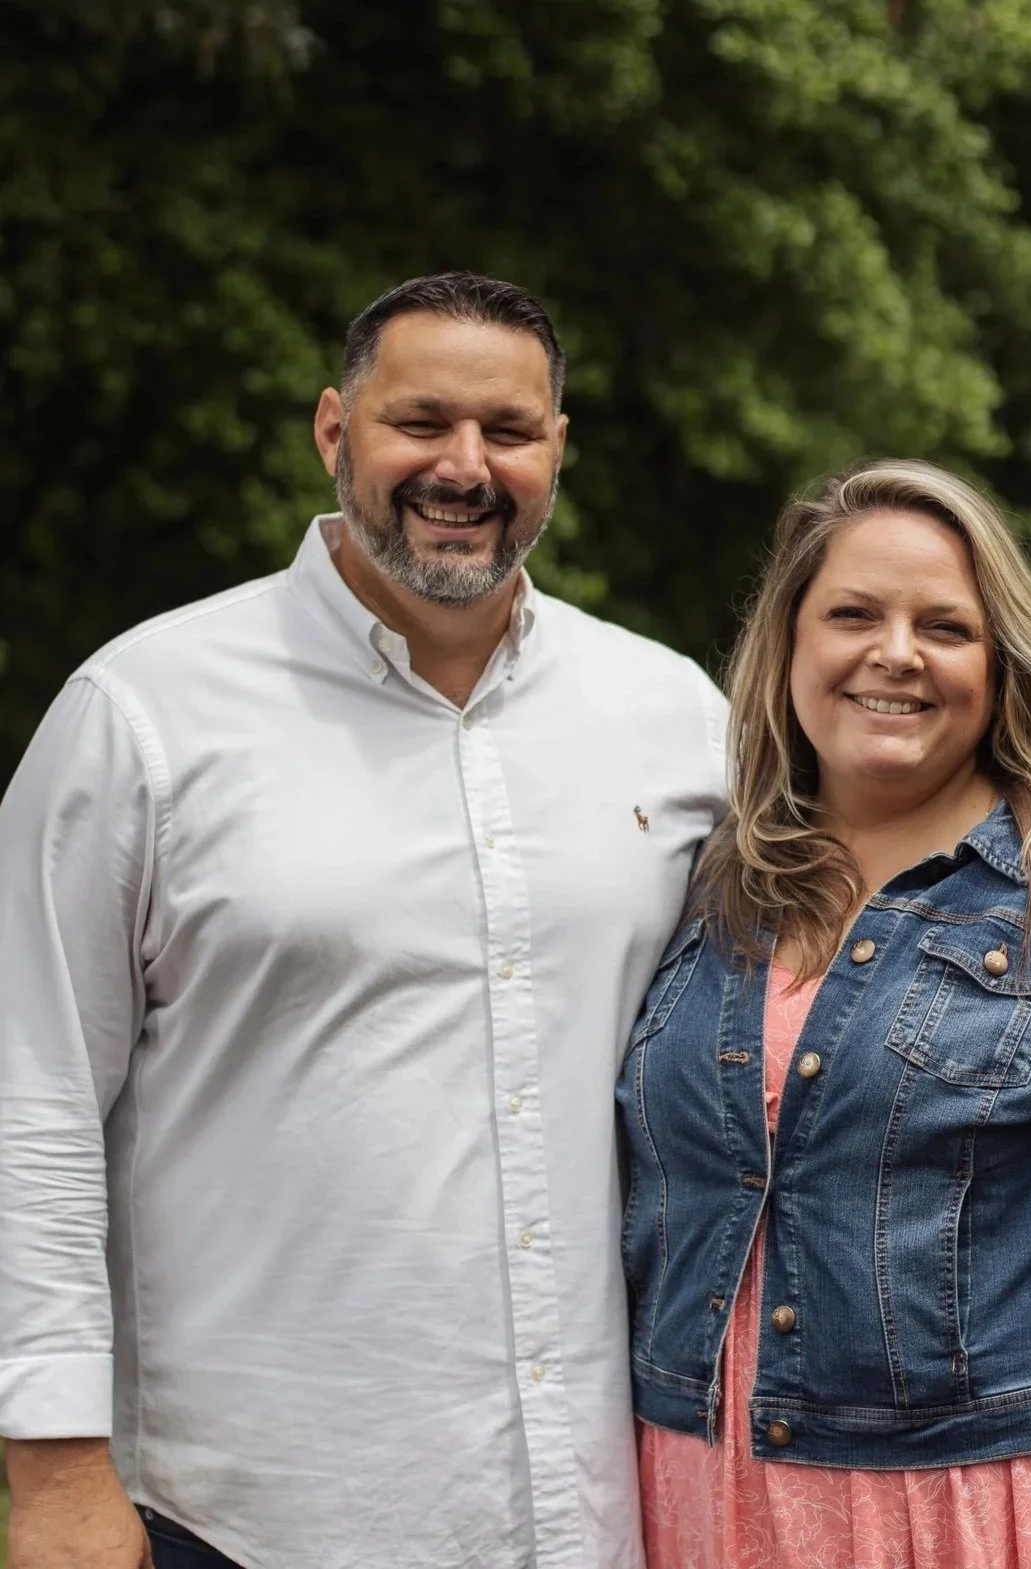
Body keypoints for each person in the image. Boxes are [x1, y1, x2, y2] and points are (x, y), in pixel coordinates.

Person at [0, 271, 727, 1569]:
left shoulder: (671, 717)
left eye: (507, 431)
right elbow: (28, 1098)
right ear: (334, 431)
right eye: (420, 422)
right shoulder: (144, 714)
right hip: (247, 1518)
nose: (463, 465)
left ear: (556, 452)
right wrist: (52, 1473)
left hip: (592, 1515)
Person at [617, 459, 1031, 1569]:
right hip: (712, 1505)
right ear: (789, 645)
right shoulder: (704, 881)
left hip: (1017, 1515)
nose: (894, 652)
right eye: (852, 614)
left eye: (945, 626)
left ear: (1003, 660)